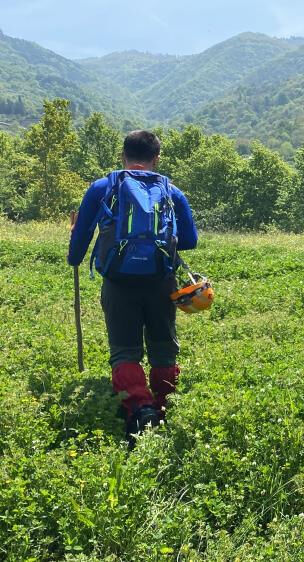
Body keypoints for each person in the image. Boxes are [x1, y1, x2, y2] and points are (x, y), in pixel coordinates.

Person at [67, 130, 198, 444]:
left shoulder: (103, 187)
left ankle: (139, 409)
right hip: (160, 279)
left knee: (124, 348)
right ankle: (164, 404)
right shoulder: (171, 190)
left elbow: (80, 241)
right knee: (163, 347)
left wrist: (75, 251)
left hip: (118, 281)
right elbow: (190, 241)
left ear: (123, 155)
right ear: (156, 158)